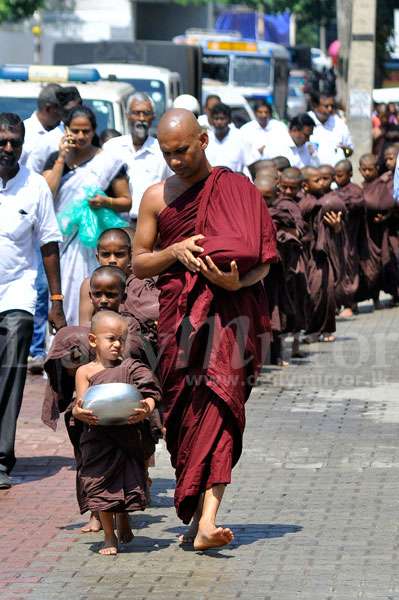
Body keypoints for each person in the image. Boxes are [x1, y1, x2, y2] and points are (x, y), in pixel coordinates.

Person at [133, 108, 277, 550]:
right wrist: (174, 250)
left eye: (182, 151)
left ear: (203, 141)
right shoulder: (156, 197)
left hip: (230, 316)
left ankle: (210, 520)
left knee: (221, 405)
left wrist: (236, 282)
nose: (175, 161)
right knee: (182, 416)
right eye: (167, 153)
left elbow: (263, 260)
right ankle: (197, 515)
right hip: (180, 322)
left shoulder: (235, 190)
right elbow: (139, 261)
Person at [0, 113, 66, 489]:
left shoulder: (35, 186)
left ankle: (1, 459)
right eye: (2, 141)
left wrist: (55, 300)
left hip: (17, 292)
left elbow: (49, 244)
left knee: (10, 372)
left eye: (15, 142)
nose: (9, 149)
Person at [72, 310, 161, 555]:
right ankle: (109, 536)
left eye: (121, 339)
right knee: (101, 487)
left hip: (127, 435)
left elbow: (151, 393)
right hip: (98, 438)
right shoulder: (85, 372)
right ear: (93, 340)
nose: (117, 344)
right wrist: (78, 414)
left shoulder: (131, 367)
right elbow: (81, 405)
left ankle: (124, 519)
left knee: (125, 482)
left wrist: (146, 409)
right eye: (111, 338)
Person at [42, 105, 131, 325]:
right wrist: (62, 158)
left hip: (94, 245)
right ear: (66, 130)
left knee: (94, 291)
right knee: (61, 292)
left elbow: (126, 202)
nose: (81, 136)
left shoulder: (107, 162)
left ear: (94, 131)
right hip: (63, 243)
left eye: (86, 131)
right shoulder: (55, 159)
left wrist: (105, 201)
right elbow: (46, 194)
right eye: (75, 130)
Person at [23, 84, 64, 374]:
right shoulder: (24, 135)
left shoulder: (59, 134)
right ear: (49, 109)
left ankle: (38, 348)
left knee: (41, 287)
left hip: (46, 216)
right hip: (20, 219)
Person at [104, 93, 171, 226]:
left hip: (150, 226)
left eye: (146, 113)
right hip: (114, 224)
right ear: (127, 115)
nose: (141, 118)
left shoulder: (163, 151)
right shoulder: (111, 147)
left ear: (153, 117)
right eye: (136, 113)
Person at [26, 86, 82, 174]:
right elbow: (32, 174)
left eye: (78, 110)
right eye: (68, 111)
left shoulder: (90, 137)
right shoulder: (47, 140)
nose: (74, 115)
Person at [21, 84, 62, 166]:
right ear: (48, 109)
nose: (65, 113)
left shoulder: (68, 131)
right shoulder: (22, 133)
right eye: (62, 109)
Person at [308, 91, 353, 166]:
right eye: (326, 106)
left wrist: (345, 150)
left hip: (335, 174)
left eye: (332, 106)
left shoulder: (340, 124)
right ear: (315, 105)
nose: (330, 109)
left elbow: (350, 152)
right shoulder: (305, 121)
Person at [205, 102, 254, 173]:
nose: (219, 122)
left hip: (234, 181)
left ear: (229, 120)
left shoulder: (240, 138)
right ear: (211, 120)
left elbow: (250, 165)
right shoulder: (207, 139)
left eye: (222, 119)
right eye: (216, 118)